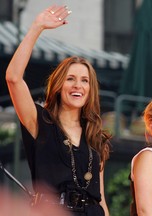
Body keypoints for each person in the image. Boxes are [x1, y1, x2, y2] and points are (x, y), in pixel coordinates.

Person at [5, 5, 111, 216]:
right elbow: (13, 78)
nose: (77, 86)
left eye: (84, 81)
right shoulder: (40, 121)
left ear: (90, 90)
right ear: (59, 85)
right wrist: (37, 27)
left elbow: (100, 197)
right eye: (70, 79)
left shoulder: (96, 135)